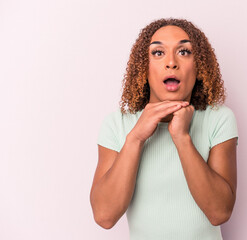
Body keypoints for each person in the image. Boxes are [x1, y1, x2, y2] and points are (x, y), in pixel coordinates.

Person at [90, 18, 238, 240]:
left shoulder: (219, 119)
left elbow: (219, 212)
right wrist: (136, 137)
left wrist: (182, 138)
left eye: (184, 52)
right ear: (144, 69)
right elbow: (104, 216)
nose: (171, 62)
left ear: (199, 68)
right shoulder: (117, 125)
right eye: (158, 53)